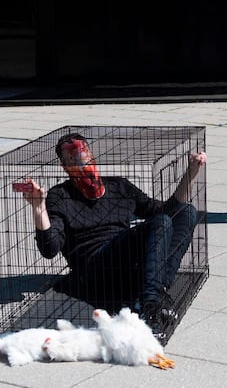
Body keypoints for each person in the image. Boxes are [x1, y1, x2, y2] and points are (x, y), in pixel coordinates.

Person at [18, 132, 206, 339]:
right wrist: (38, 207)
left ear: (91, 155)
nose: (81, 162)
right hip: (94, 268)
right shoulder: (60, 196)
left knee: (186, 212)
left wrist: (191, 172)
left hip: (126, 261)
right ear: (64, 167)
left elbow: (166, 210)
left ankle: (156, 292)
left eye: (83, 154)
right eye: (72, 159)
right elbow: (49, 249)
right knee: (162, 223)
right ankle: (149, 307)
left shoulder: (119, 186)